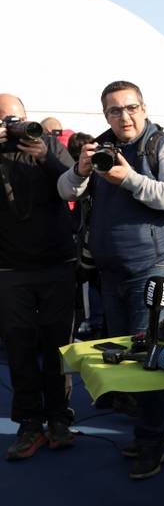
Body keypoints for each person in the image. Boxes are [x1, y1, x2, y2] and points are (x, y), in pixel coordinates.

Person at [57, 80, 164, 479]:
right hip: (112, 272)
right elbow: (64, 188)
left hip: (159, 266)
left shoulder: (163, 147)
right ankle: (150, 430)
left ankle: (154, 438)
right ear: (105, 116)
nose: (125, 116)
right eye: (115, 111)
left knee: (147, 357)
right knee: (129, 355)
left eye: (131, 108)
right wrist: (82, 170)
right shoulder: (100, 147)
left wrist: (130, 179)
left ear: (145, 108)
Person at [0, 94, 77, 461]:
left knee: (57, 346)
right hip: (10, 269)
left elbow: (73, 182)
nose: (12, 126)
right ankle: (29, 422)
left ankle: (59, 417)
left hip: (56, 264)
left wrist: (44, 153)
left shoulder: (45, 145)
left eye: (15, 118)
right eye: (3, 121)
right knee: (19, 349)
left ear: (27, 118)